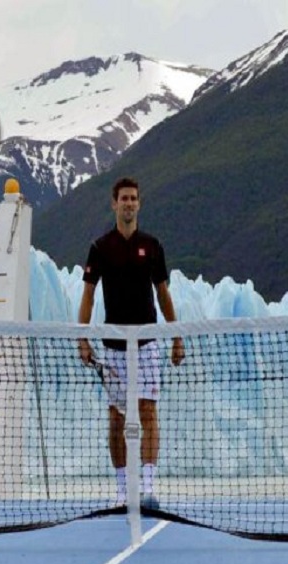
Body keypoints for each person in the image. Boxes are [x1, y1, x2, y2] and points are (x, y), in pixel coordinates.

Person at [77, 177, 184, 508]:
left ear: (139, 204)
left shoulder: (152, 246)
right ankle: (123, 489)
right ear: (114, 203)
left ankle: (148, 487)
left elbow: (162, 294)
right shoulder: (100, 247)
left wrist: (176, 336)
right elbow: (88, 295)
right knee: (116, 418)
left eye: (133, 198)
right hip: (114, 346)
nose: (128, 203)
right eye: (123, 198)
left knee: (149, 412)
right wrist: (83, 338)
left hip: (148, 343)